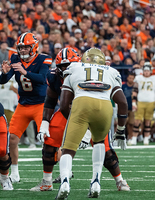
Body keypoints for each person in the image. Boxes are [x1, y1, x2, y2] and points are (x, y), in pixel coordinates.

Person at [56, 48, 128, 199]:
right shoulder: (110, 71)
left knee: (68, 149)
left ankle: (64, 182)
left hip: (82, 103)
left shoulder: (74, 68)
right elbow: (122, 102)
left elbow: (63, 105)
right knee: (100, 142)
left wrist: (75, 121)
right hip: (105, 106)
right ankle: (95, 182)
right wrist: (121, 130)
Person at [0, 32, 52, 183]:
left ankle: (62, 169)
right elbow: (4, 80)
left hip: (41, 104)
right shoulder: (15, 58)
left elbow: (42, 79)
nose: (22, 51)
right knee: (13, 138)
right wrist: (4, 73)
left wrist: (25, 72)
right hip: (23, 104)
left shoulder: (43, 58)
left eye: (25, 48)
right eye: (20, 48)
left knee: (48, 140)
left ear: (34, 47)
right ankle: (15, 173)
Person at [30, 47, 80, 191]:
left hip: (87, 112)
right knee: (49, 141)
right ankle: (47, 182)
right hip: (66, 111)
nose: (66, 69)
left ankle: (119, 179)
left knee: (104, 147)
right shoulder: (53, 76)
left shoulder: (85, 74)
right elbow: (50, 100)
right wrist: (45, 123)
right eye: (62, 66)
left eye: (69, 66)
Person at [132, 62, 155, 145]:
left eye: (148, 71)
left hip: (151, 102)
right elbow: (135, 91)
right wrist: (134, 103)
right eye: (145, 70)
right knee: (137, 121)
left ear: (151, 71)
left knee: (148, 121)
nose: (146, 72)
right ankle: (134, 138)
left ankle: (146, 138)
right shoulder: (139, 78)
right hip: (140, 101)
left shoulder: (153, 78)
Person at [122, 73, 135, 145]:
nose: (131, 79)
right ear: (127, 78)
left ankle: (130, 137)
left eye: (132, 78)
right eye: (130, 78)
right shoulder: (123, 86)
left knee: (131, 123)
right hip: (124, 107)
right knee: (123, 123)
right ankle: (121, 137)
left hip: (132, 107)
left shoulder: (135, 86)